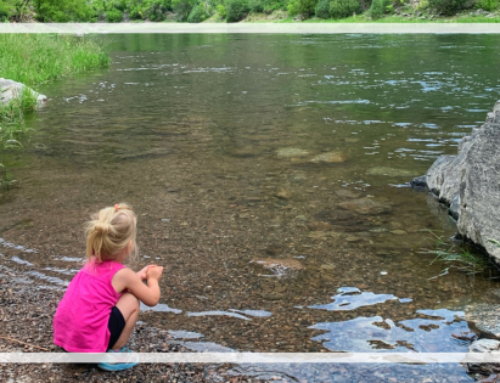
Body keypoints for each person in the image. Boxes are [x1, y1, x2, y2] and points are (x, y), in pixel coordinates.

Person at [53, 203, 164, 371]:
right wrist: (153, 279)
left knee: (113, 297)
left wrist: (137, 277)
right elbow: (152, 299)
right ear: (129, 245)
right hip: (88, 352)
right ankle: (114, 354)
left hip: (66, 344)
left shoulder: (90, 262)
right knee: (132, 300)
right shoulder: (123, 275)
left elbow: (112, 283)